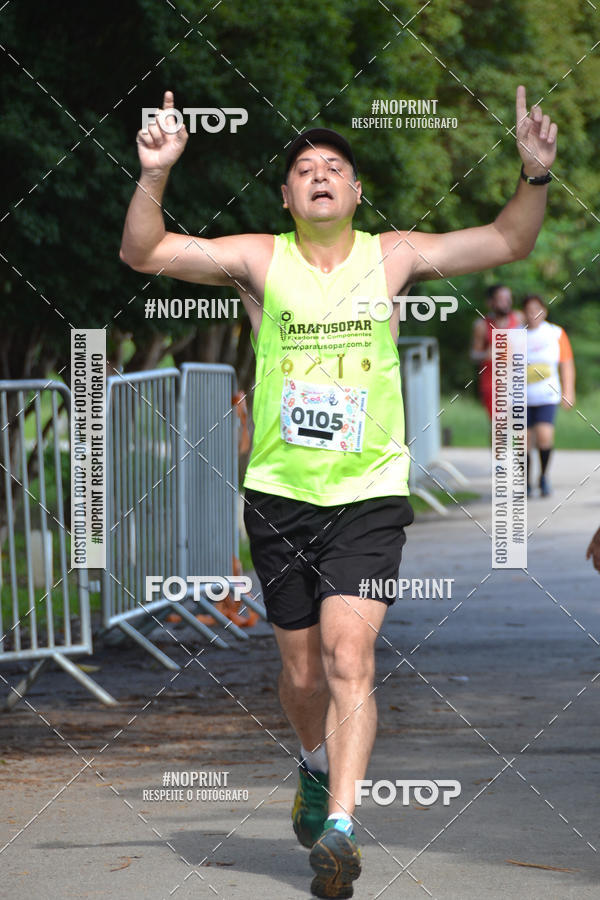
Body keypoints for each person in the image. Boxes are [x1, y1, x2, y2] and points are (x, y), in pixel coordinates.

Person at [120, 86, 558, 899]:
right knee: (301, 674)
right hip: (280, 493)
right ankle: (314, 764)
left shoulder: (390, 256)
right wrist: (155, 172)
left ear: (356, 192)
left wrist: (533, 176)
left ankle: (342, 830)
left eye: (336, 167)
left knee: (348, 655)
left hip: (368, 493)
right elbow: (145, 254)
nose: (320, 175)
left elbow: (505, 238)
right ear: (286, 196)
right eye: (303, 169)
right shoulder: (259, 258)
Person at [522, 293, 575, 497]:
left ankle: (543, 476)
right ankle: (525, 481)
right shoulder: (516, 334)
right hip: (521, 396)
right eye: (529, 309)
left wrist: (568, 390)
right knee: (523, 440)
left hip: (546, 395)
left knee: (544, 436)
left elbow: (566, 362)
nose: (534, 313)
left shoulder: (555, 333)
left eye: (537, 309)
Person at [470, 284, 524, 418]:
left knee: (522, 427)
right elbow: (473, 355)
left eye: (508, 298)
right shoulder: (482, 325)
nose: (507, 303)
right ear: (490, 302)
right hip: (493, 383)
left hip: (518, 380)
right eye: (501, 299)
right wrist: (486, 354)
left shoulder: (519, 318)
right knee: (500, 426)